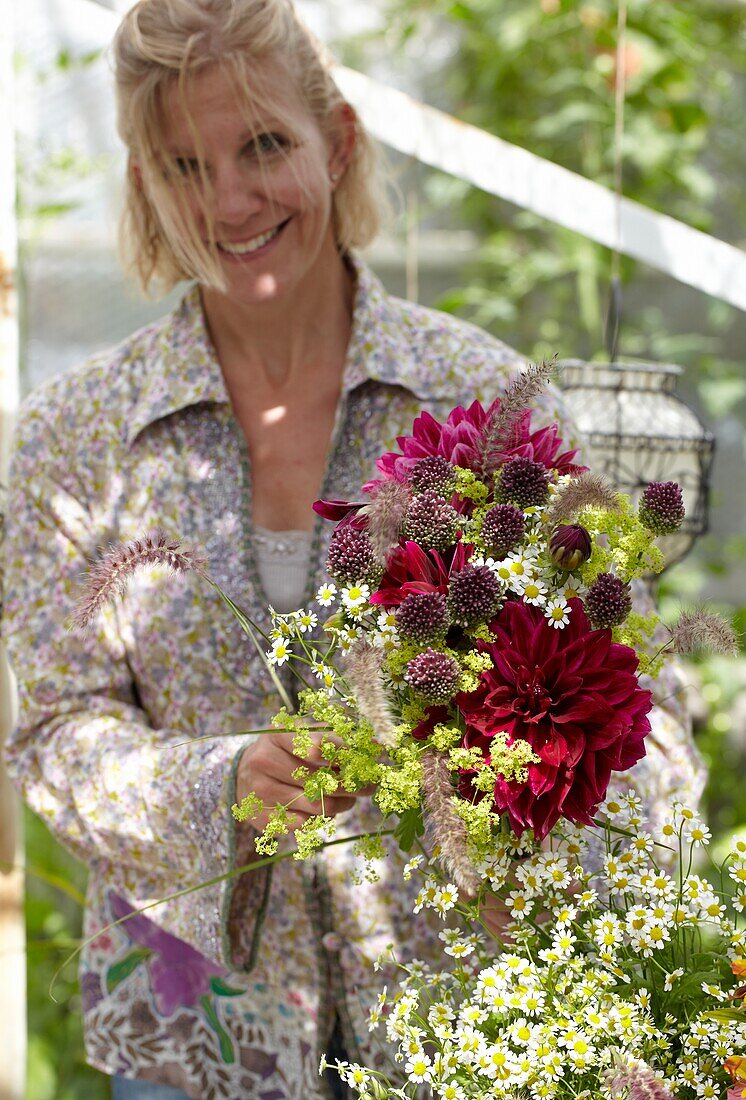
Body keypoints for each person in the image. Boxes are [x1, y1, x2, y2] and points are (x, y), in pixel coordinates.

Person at [1, 0, 705, 1097]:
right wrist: (224, 778)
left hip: (460, 1026)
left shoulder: (485, 402)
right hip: (198, 1038)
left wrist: (564, 873)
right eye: (184, 164)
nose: (228, 200)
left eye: (264, 145)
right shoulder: (75, 439)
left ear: (337, 140)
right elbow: (54, 732)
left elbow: (637, 705)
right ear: (142, 186)